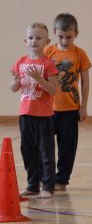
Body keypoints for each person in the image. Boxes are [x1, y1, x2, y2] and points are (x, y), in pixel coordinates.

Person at [10, 23, 58, 199]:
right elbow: (14, 87)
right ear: (25, 41)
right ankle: (32, 185)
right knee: (28, 151)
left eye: (38, 38)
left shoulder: (48, 63)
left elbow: (53, 90)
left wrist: (39, 79)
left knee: (46, 153)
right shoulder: (20, 62)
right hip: (25, 115)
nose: (34, 41)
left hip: (44, 116)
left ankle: (48, 186)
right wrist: (15, 82)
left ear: (47, 41)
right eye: (31, 38)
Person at [45, 13, 91, 191]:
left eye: (69, 37)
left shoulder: (80, 54)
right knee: (45, 146)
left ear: (76, 34)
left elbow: (85, 82)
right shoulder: (47, 52)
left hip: (70, 109)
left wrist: (83, 106)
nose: (65, 41)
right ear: (54, 33)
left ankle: (62, 180)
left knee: (67, 148)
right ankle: (46, 178)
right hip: (48, 109)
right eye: (61, 37)